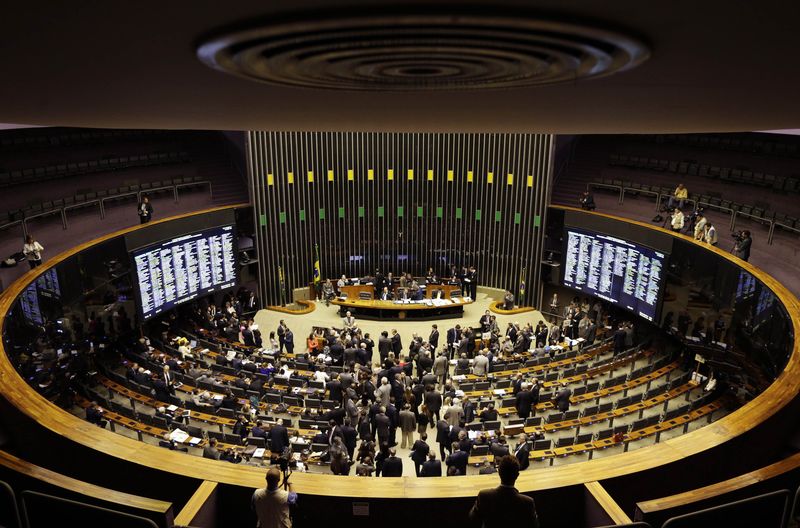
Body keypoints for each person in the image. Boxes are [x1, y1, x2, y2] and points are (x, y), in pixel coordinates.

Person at [469, 455, 539, 528]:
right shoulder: (528, 502)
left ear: (499, 472)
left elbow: (473, 518)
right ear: (517, 475)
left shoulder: (484, 495)